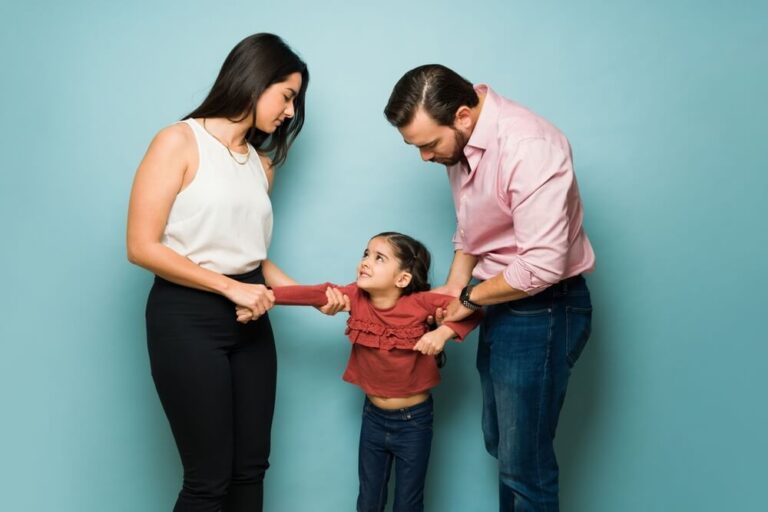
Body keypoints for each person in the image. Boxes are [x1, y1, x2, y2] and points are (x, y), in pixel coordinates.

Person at [126, 33, 348, 512]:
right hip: (186, 318)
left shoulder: (261, 165)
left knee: (250, 469)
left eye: (295, 101)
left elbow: (251, 255)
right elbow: (141, 246)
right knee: (208, 479)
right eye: (287, 96)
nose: (290, 112)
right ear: (254, 80)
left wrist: (312, 295)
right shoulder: (178, 141)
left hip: (251, 319)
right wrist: (232, 289)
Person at [384, 65, 596, 511]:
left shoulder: (530, 147)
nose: (424, 158)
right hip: (499, 300)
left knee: (525, 466)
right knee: (503, 447)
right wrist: (453, 288)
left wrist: (466, 299)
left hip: (545, 308)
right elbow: (472, 232)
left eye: (427, 145)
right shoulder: (462, 144)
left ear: (462, 116)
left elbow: (540, 266)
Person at [237, 232, 481, 512]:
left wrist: (443, 334)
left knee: (408, 502)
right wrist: (267, 297)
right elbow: (315, 293)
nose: (365, 262)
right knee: (369, 499)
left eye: (379, 258)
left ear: (402, 279)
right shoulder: (354, 296)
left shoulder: (423, 304)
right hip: (373, 418)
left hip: (414, 422)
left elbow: (473, 312)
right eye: (366, 254)